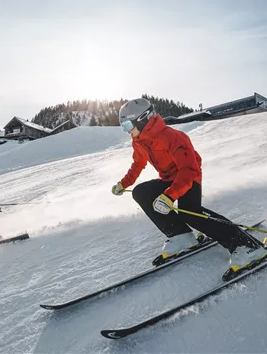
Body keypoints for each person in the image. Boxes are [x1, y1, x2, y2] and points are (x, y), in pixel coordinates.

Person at [111, 98, 267, 273]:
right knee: (141, 192)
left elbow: (189, 169)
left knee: (191, 213)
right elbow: (137, 165)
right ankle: (180, 236)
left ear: (143, 119)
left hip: (189, 177)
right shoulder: (139, 142)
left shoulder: (173, 137)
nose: (127, 131)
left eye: (127, 126)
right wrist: (123, 184)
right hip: (169, 179)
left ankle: (247, 246)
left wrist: (169, 196)